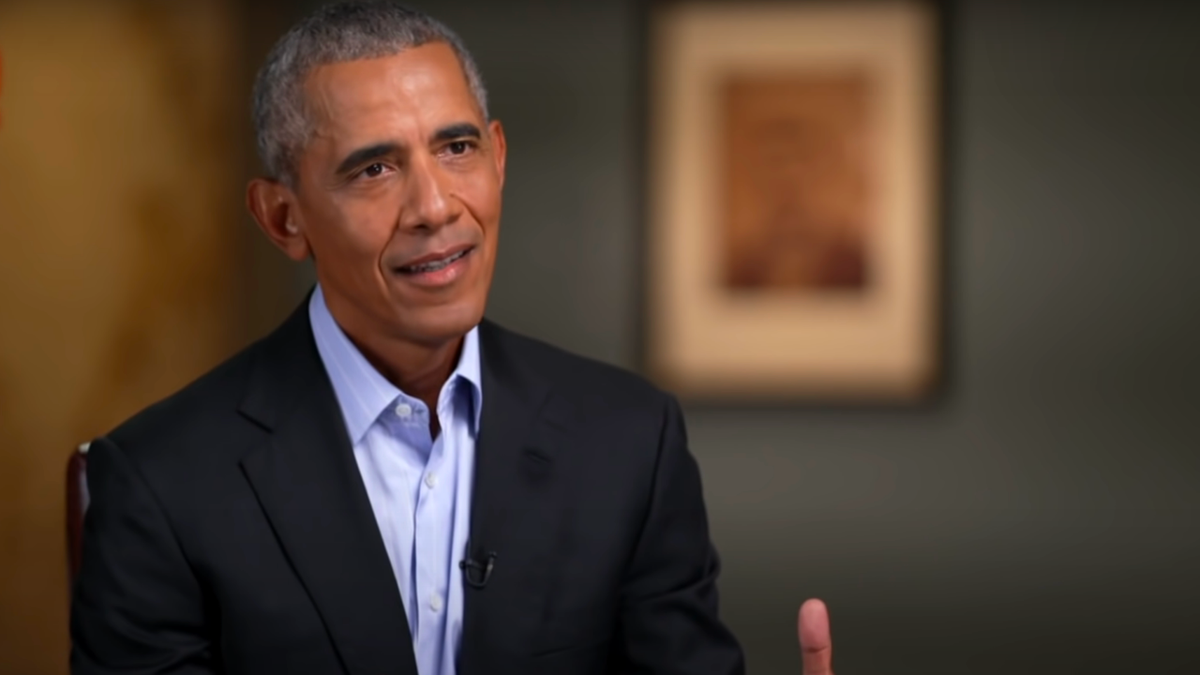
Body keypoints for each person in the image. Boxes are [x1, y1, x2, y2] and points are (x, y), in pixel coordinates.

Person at [69, 2, 838, 674]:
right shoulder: (159, 483)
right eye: (373, 168)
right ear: (283, 218)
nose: (434, 206)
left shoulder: (633, 442)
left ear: (498, 158)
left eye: (457, 148)